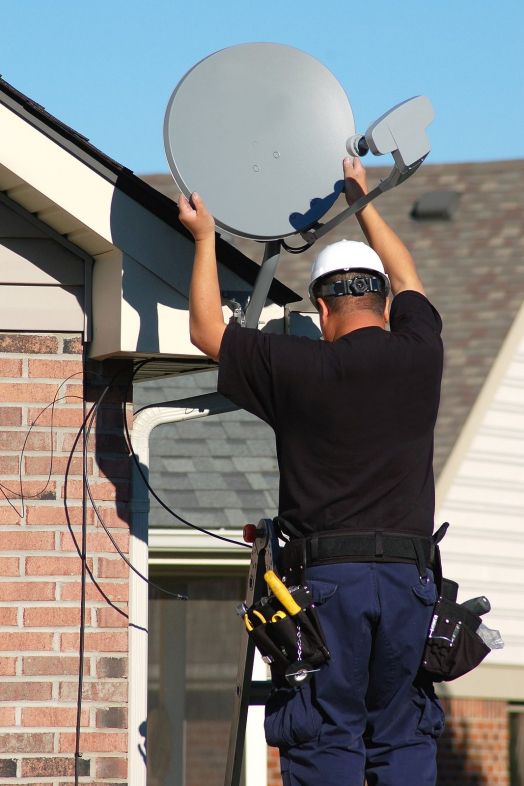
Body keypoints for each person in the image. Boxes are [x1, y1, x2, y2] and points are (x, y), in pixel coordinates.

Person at [178, 156, 445, 786]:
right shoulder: (421, 353)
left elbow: (207, 332)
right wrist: (362, 197)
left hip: (328, 587)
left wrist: (203, 238)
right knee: (403, 737)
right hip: (411, 582)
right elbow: (412, 280)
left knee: (325, 740)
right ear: (385, 305)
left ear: (322, 312)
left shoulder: (297, 368)